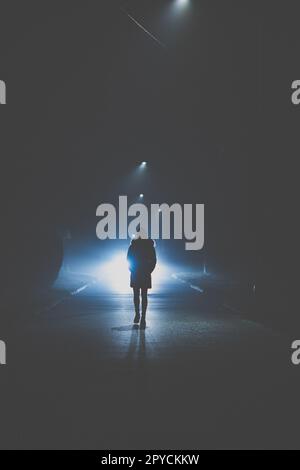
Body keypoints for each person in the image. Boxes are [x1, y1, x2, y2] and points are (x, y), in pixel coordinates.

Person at [127, 234, 157, 329]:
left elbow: (128, 259)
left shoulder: (133, 245)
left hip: (136, 272)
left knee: (136, 295)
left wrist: (132, 269)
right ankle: (142, 316)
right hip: (144, 273)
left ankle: (138, 314)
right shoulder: (149, 246)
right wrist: (149, 270)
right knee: (144, 295)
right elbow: (154, 260)